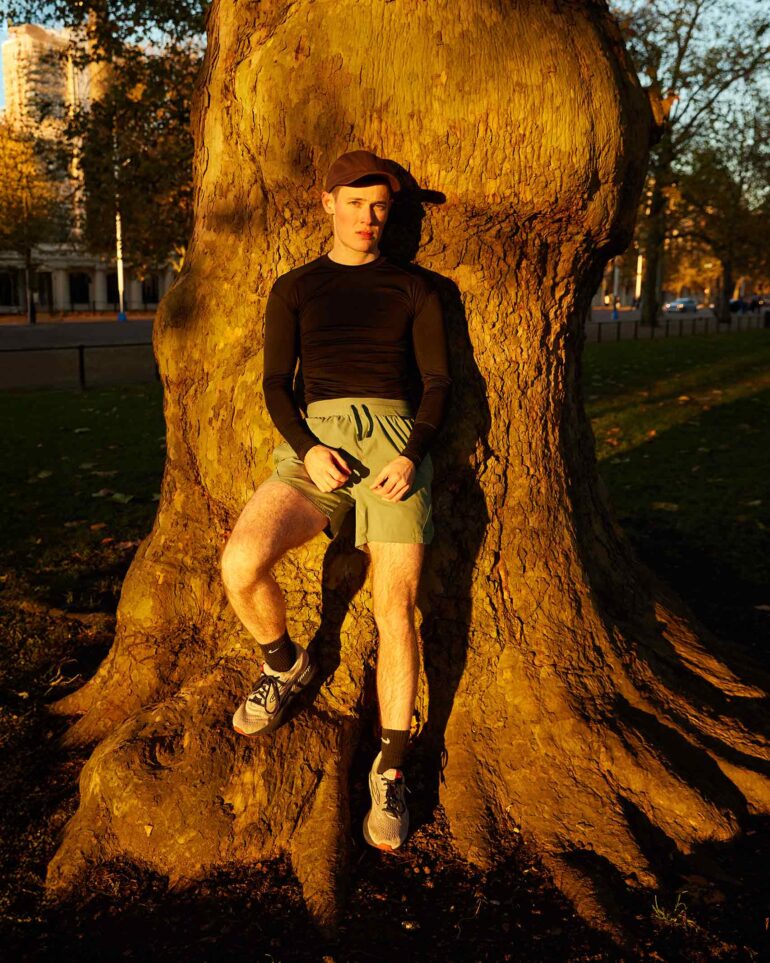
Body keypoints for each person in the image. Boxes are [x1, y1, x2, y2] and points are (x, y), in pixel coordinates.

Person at [220, 149, 452, 852]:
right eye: (354, 203)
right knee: (241, 561)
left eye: (379, 206)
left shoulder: (417, 289)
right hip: (314, 444)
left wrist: (411, 454)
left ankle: (390, 768)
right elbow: (273, 384)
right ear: (328, 203)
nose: (368, 218)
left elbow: (438, 383)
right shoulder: (295, 288)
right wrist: (309, 447)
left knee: (395, 607)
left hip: (393, 450)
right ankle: (286, 663)